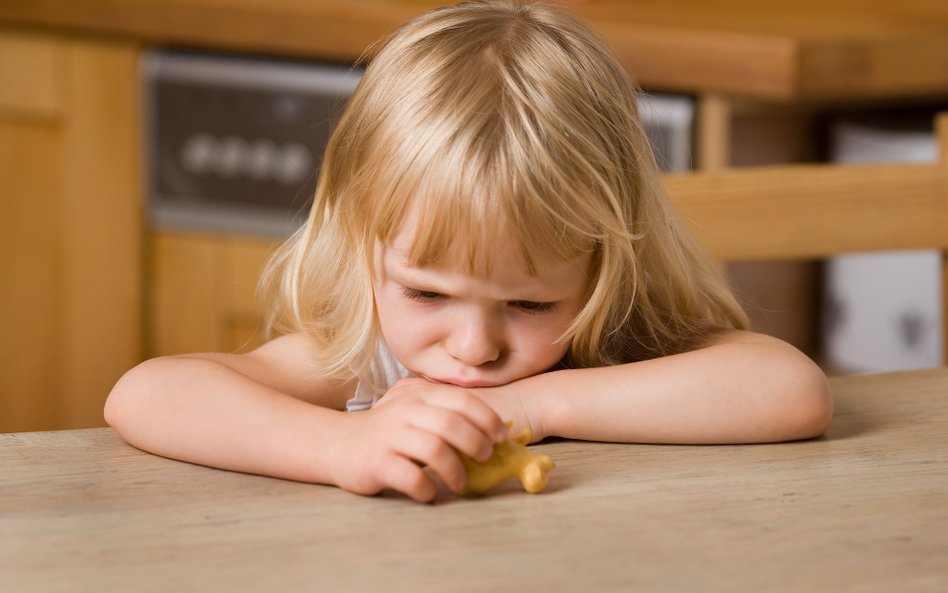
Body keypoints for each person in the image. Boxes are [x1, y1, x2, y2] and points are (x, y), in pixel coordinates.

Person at [105, 0, 832, 502]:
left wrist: (534, 402)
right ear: (365, 246)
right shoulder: (373, 360)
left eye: (527, 302)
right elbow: (145, 395)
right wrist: (342, 448)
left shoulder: (612, 333)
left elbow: (791, 391)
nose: (474, 348)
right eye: (426, 293)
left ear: (606, 263)